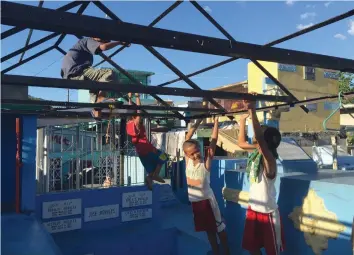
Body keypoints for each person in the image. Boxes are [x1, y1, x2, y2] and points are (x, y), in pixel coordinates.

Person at [238, 93, 285, 255]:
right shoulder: (256, 154)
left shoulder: (269, 160)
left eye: (260, 135)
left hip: (267, 213)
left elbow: (259, 138)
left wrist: (252, 110)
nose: (256, 137)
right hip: (254, 209)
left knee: (273, 251)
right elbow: (241, 143)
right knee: (253, 247)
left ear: (263, 141)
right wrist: (243, 121)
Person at [183, 114, 230, 255]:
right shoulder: (188, 163)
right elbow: (188, 136)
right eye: (192, 154)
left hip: (207, 202)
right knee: (209, 231)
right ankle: (216, 252)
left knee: (219, 228)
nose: (195, 155)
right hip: (196, 203)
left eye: (197, 152)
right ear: (187, 155)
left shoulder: (205, 164)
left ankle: (227, 252)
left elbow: (214, 141)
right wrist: (198, 120)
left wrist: (215, 122)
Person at [61, 37, 131, 120]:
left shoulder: (84, 49)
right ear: (95, 37)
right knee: (111, 74)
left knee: (96, 85)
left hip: (71, 75)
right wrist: (119, 42)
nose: (102, 42)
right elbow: (103, 47)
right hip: (77, 71)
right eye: (103, 40)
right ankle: (100, 99)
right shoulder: (87, 40)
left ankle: (96, 111)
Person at [126, 93, 168, 190]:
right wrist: (137, 97)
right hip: (146, 148)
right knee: (164, 157)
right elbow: (139, 109)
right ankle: (155, 175)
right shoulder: (136, 122)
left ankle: (150, 179)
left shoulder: (129, 123)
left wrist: (129, 98)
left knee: (150, 167)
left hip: (140, 150)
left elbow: (129, 109)